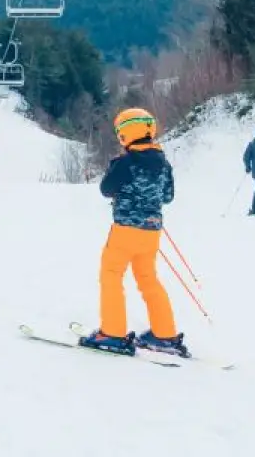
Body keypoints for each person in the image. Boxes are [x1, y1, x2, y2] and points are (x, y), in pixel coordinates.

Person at [80, 107, 187, 357]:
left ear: (125, 134)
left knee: (111, 275)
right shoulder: (163, 162)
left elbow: (106, 189)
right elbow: (168, 197)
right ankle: (165, 334)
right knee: (148, 279)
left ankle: (113, 333)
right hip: (152, 231)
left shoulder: (125, 162)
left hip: (126, 230)